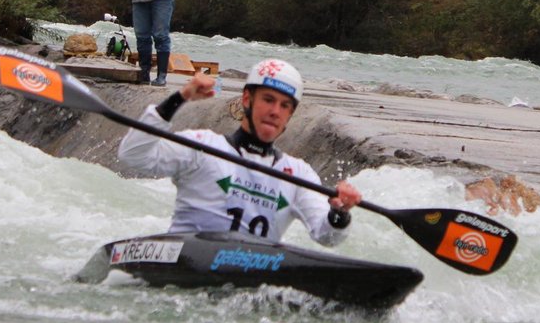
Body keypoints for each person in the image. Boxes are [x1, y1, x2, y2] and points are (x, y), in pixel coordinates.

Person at [118, 58, 362, 246]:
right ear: (247, 99)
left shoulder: (298, 173)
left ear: (290, 114)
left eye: (285, 105)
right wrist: (179, 98)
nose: (275, 111)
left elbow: (328, 238)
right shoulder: (203, 146)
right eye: (268, 99)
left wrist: (339, 213)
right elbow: (133, 155)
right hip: (187, 262)